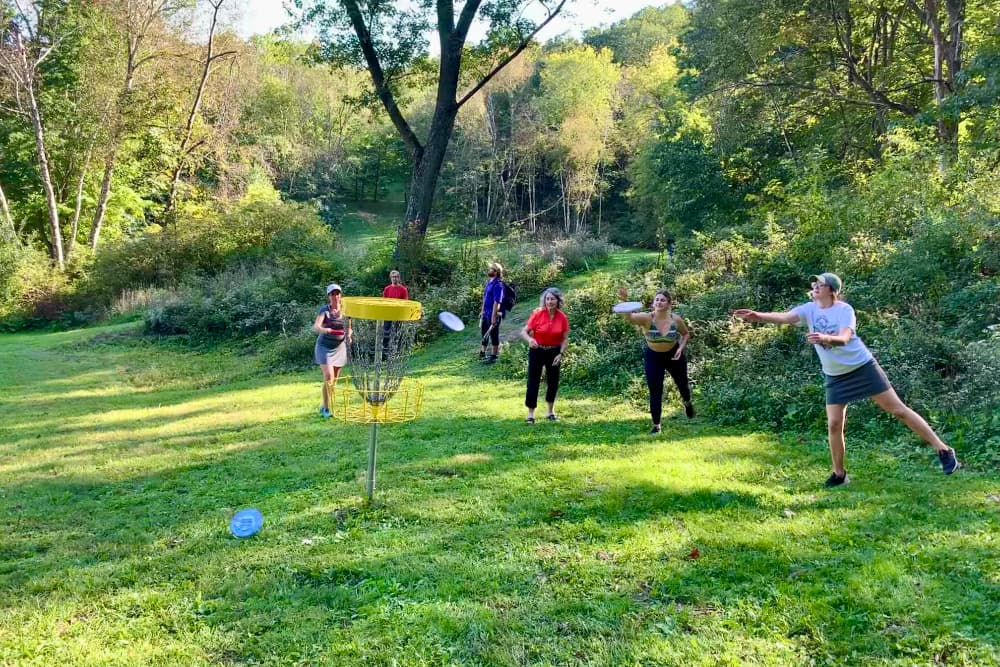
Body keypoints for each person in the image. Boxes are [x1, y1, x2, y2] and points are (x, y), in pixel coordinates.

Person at [733, 272, 960, 486]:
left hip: (862, 368)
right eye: (814, 285)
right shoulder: (809, 309)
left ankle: (943, 450)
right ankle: (839, 474)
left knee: (898, 410)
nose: (814, 288)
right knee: (834, 424)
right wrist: (758, 316)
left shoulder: (845, 310)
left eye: (819, 285)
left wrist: (824, 337)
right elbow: (784, 317)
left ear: (831, 290)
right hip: (835, 376)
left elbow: (844, 338)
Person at [616, 287, 695, 433]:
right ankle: (657, 425)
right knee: (655, 390)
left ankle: (687, 403)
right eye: (657, 299)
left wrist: (680, 349)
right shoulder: (647, 318)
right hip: (653, 357)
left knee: (683, 384)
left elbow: (685, 334)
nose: (659, 302)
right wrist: (624, 301)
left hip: (674, 356)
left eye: (663, 300)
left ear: (669, 304)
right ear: (653, 303)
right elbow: (630, 318)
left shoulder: (676, 320)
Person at [520, 288, 570, 423]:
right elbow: (524, 332)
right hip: (537, 350)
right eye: (547, 299)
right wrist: (530, 340)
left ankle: (550, 412)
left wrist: (561, 353)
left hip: (554, 352)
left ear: (558, 301)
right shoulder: (538, 314)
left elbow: (565, 339)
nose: (550, 301)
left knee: (553, 381)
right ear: (544, 301)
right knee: (533, 381)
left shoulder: (562, 317)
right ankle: (530, 414)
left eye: (552, 299)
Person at [313, 283, 351, 418]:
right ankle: (327, 409)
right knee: (328, 376)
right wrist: (325, 330)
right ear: (329, 296)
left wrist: (349, 336)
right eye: (332, 294)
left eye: (337, 293)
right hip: (324, 347)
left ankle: (324, 405)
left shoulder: (346, 310)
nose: (335, 296)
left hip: (339, 347)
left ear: (340, 295)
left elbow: (349, 328)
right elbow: (316, 327)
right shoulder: (325, 310)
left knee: (334, 381)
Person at [479, 262, 505, 364]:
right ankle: (482, 353)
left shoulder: (498, 285)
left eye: (491, 269)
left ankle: (494, 356)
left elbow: (497, 302)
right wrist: (482, 311)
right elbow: (485, 298)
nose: (489, 270)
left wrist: (494, 316)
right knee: (484, 333)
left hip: (493, 314)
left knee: (494, 334)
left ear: (496, 272)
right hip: (486, 313)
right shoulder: (489, 282)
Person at [381, 269, 408, 353]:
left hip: (398, 315)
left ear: (399, 278)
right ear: (390, 278)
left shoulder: (403, 289)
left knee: (397, 333)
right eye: (393, 277)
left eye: (396, 277)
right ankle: (385, 353)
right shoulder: (387, 289)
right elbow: (384, 302)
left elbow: (405, 303)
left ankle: (396, 352)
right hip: (388, 314)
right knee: (386, 333)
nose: (394, 278)